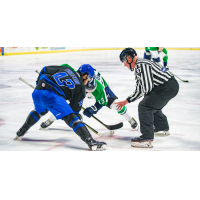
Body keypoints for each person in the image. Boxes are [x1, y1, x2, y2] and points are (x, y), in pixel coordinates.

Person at [14, 64, 107, 151]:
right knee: (72, 118)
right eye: (89, 78)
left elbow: (45, 69)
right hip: (51, 96)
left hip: (37, 92)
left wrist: (39, 84)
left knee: (40, 111)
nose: (88, 81)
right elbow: (73, 113)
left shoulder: (67, 68)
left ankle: (21, 131)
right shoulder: (81, 89)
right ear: (85, 75)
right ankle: (91, 141)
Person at [40, 64, 138, 131]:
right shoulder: (75, 75)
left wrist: (94, 109)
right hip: (80, 87)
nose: (89, 92)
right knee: (63, 103)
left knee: (116, 105)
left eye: (90, 89)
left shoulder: (98, 88)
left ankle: (130, 119)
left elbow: (102, 101)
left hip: (102, 89)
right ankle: (50, 120)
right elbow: (63, 67)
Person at [115, 48, 179, 148]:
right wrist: (127, 100)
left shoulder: (142, 65)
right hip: (169, 86)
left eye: (124, 61)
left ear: (129, 58)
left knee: (145, 106)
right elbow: (140, 88)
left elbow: (146, 88)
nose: (124, 64)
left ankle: (146, 137)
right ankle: (162, 128)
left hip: (167, 87)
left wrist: (128, 100)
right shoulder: (140, 65)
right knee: (150, 102)